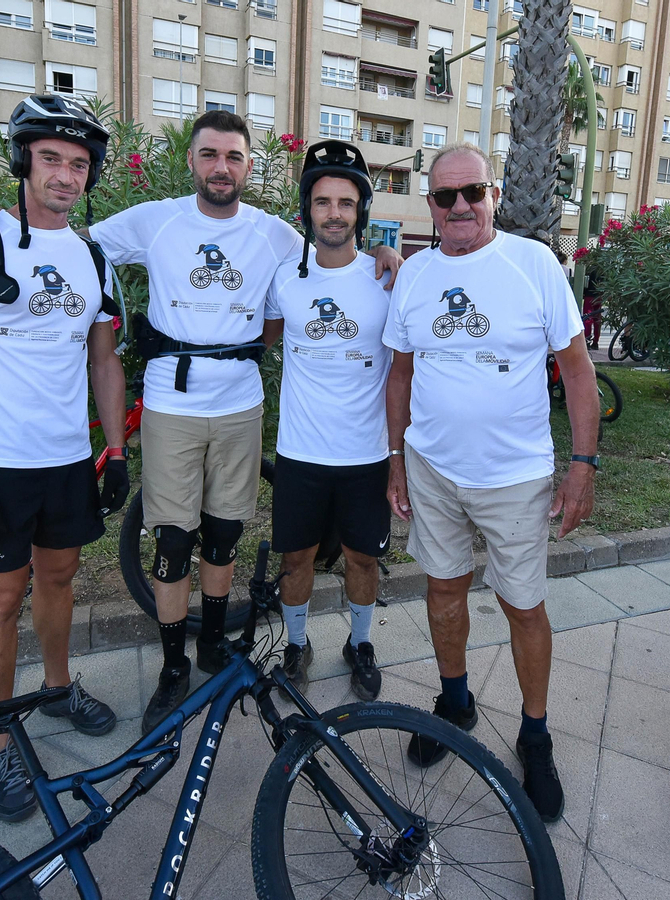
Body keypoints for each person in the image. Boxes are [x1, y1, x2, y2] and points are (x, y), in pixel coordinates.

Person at [0, 112, 403, 736]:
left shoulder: (274, 235)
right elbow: (63, 234)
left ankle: (213, 642)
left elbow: (331, 256)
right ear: (190, 160)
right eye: (209, 154)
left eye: (234, 157)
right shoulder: (153, 219)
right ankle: (171, 663)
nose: (221, 167)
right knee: (173, 541)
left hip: (239, 406)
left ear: (247, 166)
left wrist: (384, 252)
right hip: (171, 404)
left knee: (222, 536)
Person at [0, 95, 127, 822]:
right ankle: (1, 737)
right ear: (22, 162)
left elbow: (102, 361)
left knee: (61, 579)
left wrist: (116, 449)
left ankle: (60, 686)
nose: (65, 175)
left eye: (78, 163)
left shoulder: (93, 255)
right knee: (1, 599)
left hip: (66, 457)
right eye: (50, 160)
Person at [383, 142, 598, 824]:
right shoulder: (415, 275)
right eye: (445, 197)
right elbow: (400, 374)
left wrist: (583, 465)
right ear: (431, 206)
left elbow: (579, 368)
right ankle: (455, 700)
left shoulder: (533, 263)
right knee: (443, 591)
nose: (460, 208)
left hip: (517, 476)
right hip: (433, 469)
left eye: (471, 192)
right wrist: (395, 458)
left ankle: (536, 732)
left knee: (522, 606)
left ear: (492, 194)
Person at [259, 141, 391, 699]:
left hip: (367, 454)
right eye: (322, 201)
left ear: (360, 210)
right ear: (306, 210)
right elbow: (259, 341)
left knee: (363, 556)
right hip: (301, 453)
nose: (333, 212)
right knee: (297, 556)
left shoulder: (389, 278)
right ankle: (296, 644)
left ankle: (360, 643)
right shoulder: (284, 279)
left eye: (345, 201)